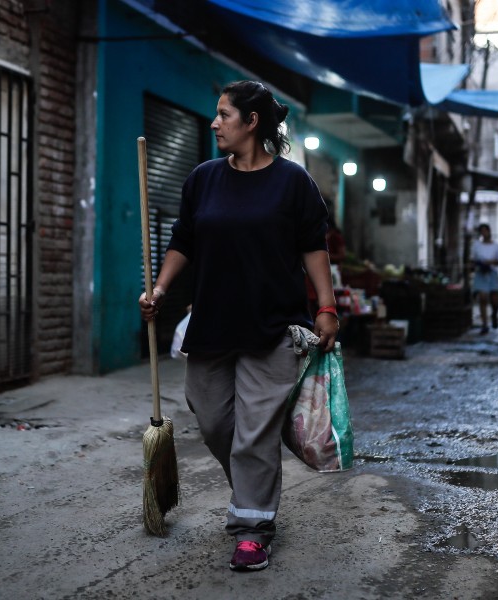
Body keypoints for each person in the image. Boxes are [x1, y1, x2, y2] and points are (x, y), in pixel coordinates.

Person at [138, 80, 338, 572]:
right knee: (211, 417)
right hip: (213, 319)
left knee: (253, 432)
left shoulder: (293, 182)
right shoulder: (203, 178)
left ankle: (253, 527)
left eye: (224, 114)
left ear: (252, 122)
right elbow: (184, 240)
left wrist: (327, 307)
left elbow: (314, 246)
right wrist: (159, 290)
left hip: (273, 324)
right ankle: (257, 488)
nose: (214, 123)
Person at [471, 223, 498, 334]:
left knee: (495, 300)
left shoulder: (496, 246)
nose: (484, 233)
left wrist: (489, 262)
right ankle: (484, 324)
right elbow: (473, 259)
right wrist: (480, 264)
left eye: (486, 231)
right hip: (481, 273)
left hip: (493, 273)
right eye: (482, 231)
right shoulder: (477, 245)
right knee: (483, 297)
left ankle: (494, 315)